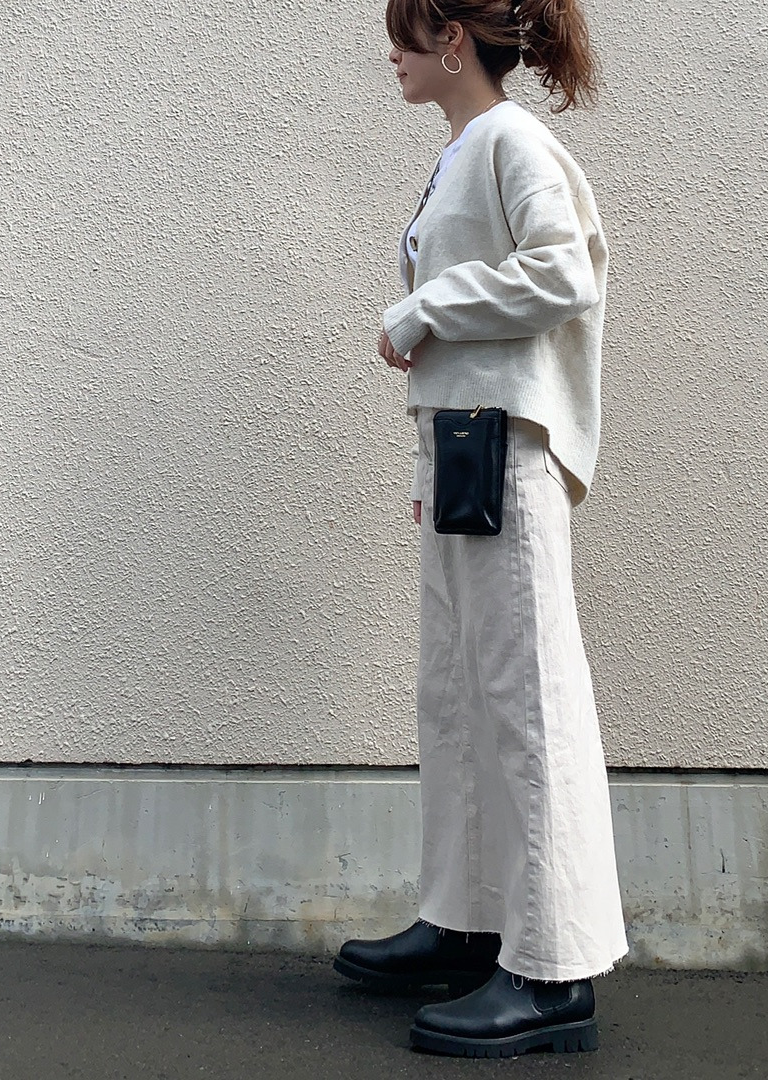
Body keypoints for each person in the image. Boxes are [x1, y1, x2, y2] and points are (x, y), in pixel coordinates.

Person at [334, 0, 628, 1059]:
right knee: (457, 694)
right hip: (462, 455)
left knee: (526, 700)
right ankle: (465, 920)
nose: (393, 56)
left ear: (452, 39)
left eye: (405, 36)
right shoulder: (467, 147)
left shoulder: (512, 140)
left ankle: (552, 970)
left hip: (504, 455)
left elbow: (564, 271)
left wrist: (426, 307)